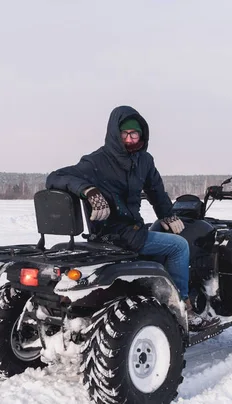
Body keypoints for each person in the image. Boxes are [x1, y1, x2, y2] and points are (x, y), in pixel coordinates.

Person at [46, 105, 218, 331]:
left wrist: (166, 214)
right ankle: (182, 305)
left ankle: (156, 290)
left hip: (131, 230)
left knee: (157, 236)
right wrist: (88, 190)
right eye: (124, 133)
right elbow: (55, 177)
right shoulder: (96, 161)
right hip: (115, 234)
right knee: (179, 246)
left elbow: (155, 189)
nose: (129, 138)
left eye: (134, 134)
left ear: (142, 135)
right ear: (114, 134)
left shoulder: (144, 160)